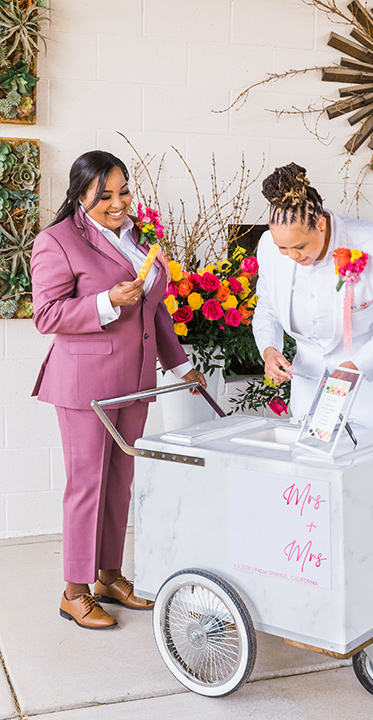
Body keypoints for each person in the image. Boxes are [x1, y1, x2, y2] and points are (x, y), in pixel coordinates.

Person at [31, 150, 206, 630]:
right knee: (87, 486)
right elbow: (47, 315)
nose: (117, 202)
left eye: (123, 190)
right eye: (103, 194)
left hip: (135, 381)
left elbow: (154, 308)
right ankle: (74, 591)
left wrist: (181, 365)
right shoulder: (57, 241)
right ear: (80, 195)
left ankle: (109, 576)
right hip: (85, 386)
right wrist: (106, 301)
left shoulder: (137, 237)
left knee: (120, 482)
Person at [252, 162, 373, 438]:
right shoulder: (268, 249)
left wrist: (359, 366)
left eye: (300, 247)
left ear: (320, 224)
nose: (291, 256)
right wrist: (269, 349)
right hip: (310, 402)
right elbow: (267, 310)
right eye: (282, 247)